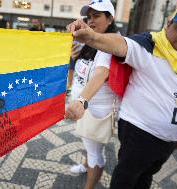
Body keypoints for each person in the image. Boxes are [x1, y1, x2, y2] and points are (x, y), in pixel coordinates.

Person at [67, 3, 177, 189]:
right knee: (125, 179)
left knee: (145, 177)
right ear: (168, 23)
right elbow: (121, 44)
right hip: (140, 134)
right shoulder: (150, 44)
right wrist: (92, 37)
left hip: (168, 141)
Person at [65, 1, 119, 188]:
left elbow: (101, 73)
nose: (91, 20)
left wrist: (81, 100)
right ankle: (86, 165)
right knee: (89, 145)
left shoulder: (110, 42)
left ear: (110, 19)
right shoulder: (92, 41)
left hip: (95, 108)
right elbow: (85, 70)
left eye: (97, 16)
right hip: (85, 105)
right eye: (89, 16)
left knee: (96, 152)